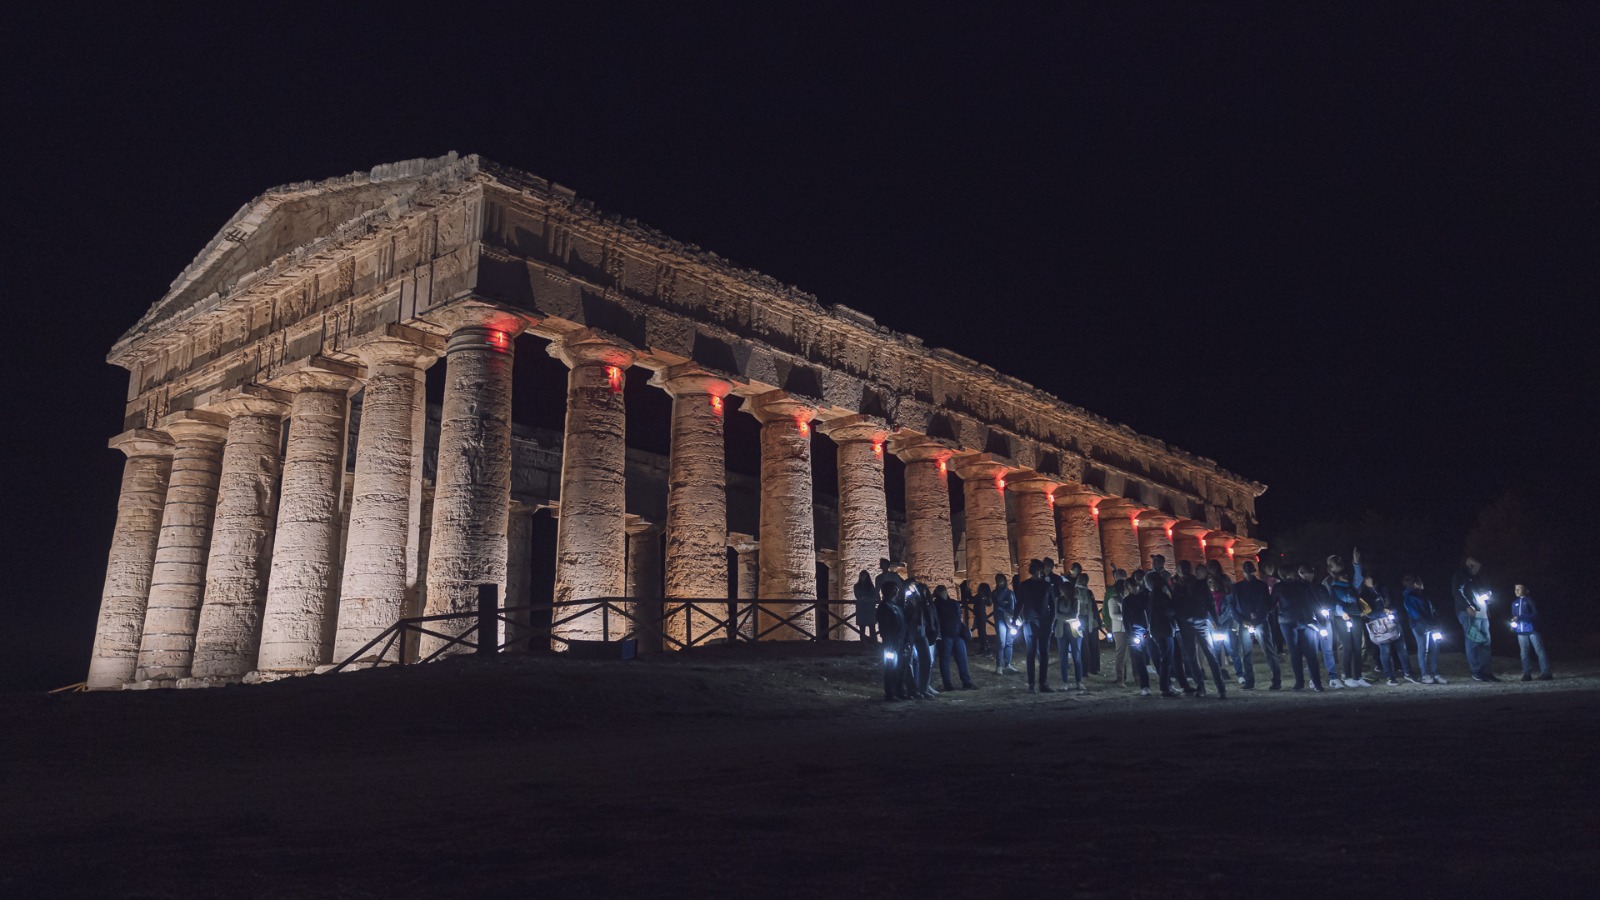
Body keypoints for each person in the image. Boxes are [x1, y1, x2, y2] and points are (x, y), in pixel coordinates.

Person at [1174, 561, 1226, 698]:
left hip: (1200, 622)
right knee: (1191, 657)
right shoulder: (1176, 586)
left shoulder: (1200, 584)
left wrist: (1216, 622)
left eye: (1185, 567)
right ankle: (1200, 686)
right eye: (1181, 568)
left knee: (1210, 654)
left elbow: (1210, 603)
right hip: (1186, 624)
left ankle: (1220, 687)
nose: (1184, 570)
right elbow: (1175, 606)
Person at [1324, 551, 1369, 687]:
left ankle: (1358, 676)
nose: (1345, 575)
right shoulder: (1331, 584)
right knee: (1347, 647)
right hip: (1340, 617)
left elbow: (1358, 578)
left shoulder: (1351, 585)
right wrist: (1341, 612)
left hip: (1356, 616)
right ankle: (1347, 676)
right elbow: (1332, 601)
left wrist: (1356, 562)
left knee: (1357, 647)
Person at [1278, 563, 1325, 692]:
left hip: (1305, 621)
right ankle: (1300, 682)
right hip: (1288, 622)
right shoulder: (1279, 587)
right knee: (1295, 653)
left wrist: (1320, 617)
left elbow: (1313, 601)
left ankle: (1316, 682)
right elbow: (1272, 603)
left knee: (1311, 653)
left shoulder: (1303, 585)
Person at [1361, 574, 1415, 685]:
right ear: (1364, 580)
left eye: (1370, 576)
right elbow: (1368, 613)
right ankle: (1389, 677)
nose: (1370, 578)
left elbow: (1391, 602)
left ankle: (1408, 673)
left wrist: (1389, 611)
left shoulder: (1381, 590)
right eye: (1367, 577)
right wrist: (1383, 612)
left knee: (1402, 648)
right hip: (1379, 625)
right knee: (1385, 651)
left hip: (1392, 622)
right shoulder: (1364, 594)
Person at [1234, 561, 1280, 690]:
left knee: (1268, 651)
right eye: (1246, 570)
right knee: (1246, 653)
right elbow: (1234, 606)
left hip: (1259, 621)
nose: (1248, 573)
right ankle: (1250, 680)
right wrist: (1243, 621)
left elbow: (1266, 604)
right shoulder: (1237, 587)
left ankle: (1276, 680)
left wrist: (1258, 616)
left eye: (1249, 570)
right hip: (1246, 622)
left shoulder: (1261, 586)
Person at [1452, 556, 1498, 681]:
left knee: (1486, 643)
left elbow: (1481, 592)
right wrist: (1467, 606)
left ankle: (1486, 671)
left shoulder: (1477, 578)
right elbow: (1457, 591)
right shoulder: (1461, 575)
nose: (1478, 567)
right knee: (1473, 642)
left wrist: (1487, 597)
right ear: (1468, 565)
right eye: (1474, 565)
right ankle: (1476, 671)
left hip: (1482, 612)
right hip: (1469, 613)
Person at [1016, 559, 1059, 693]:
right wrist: (1014, 618)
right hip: (1029, 622)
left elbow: (1053, 605)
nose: (1034, 572)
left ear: (1040, 570)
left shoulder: (1047, 587)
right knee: (1031, 653)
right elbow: (1019, 603)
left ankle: (1043, 683)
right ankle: (1031, 684)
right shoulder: (1024, 585)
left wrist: (1051, 621)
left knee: (1044, 653)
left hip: (1044, 622)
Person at [1402, 575, 1446, 684]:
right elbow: (1416, 614)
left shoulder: (1422, 595)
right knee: (1423, 649)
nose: (1422, 583)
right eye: (1420, 581)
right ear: (1415, 583)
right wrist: (1430, 624)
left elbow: (1432, 611)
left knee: (1435, 648)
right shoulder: (1409, 597)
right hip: (1419, 626)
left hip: (1432, 625)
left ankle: (1435, 673)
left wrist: (1437, 623)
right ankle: (1425, 675)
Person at [933, 584, 977, 690]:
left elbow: (958, 618)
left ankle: (966, 682)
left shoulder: (953, 603)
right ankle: (947, 684)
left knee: (962, 659)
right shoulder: (936, 605)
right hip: (945, 635)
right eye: (941, 591)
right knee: (945, 660)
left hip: (957, 635)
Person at [1143, 570, 1179, 697]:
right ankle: (1165, 688)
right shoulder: (1159, 594)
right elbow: (1169, 610)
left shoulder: (1154, 594)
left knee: (1165, 659)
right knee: (1166, 659)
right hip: (1164, 629)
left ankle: (1167, 686)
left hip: (1158, 630)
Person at [1206, 560, 1243, 681]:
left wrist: (1221, 621)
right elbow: (1207, 612)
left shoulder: (1226, 596)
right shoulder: (1207, 598)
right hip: (1213, 625)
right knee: (1216, 649)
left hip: (1225, 623)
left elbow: (1229, 610)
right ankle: (1219, 673)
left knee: (1232, 648)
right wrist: (1213, 622)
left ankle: (1240, 674)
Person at [876, 582, 911, 700]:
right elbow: (885, 627)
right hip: (891, 643)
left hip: (900, 642)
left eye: (896, 590)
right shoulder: (884, 607)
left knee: (901, 668)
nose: (896, 592)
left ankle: (900, 691)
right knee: (891, 668)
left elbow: (903, 625)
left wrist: (905, 641)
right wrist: (889, 645)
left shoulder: (896, 606)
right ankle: (890, 693)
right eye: (893, 590)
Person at [1510, 583, 1552, 681]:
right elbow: (1514, 615)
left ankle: (1546, 672)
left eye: (1519, 589)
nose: (1516, 591)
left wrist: (1520, 617)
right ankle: (1526, 674)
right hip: (1521, 631)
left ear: (1525, 590)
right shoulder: (1514, 603)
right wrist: (1514, 623)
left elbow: (1535, 614)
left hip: (1532, 629)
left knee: (1539, 650)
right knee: (1523, 652)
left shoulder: (1530, 600)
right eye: (1515, 589)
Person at [1121, 572, 1153, 696]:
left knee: (1155, 658)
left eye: (1135, 585)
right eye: (1130, 586)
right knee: (1140, 661)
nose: (1134, 588)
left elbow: (1150, 613)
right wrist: (1131, 635)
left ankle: (1166, 685)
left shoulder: (1146, 597)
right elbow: (1126, 619)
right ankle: (1144, 686)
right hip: (1136, 634)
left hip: (1148, 631)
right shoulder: (1127, 601)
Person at [1053, 570, 1086, 691]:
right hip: (1061, 631)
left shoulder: (1076, 600)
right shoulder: (1058, 600)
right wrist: (1066, 617)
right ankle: (1065, 683)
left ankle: (1079, 682)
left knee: (1077, 657)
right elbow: (1056, 614)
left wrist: (1063, 617)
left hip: (1074, 631)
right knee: (1063, 658)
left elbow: (1074, 615)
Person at [1103, 569, 1129, 687]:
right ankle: (1120, 678)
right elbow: (1113, 615)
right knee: (1121, 654)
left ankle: (1128, 677)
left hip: (1128, 628)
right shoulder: (1113, 600)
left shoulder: (1127, 600)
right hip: (1119, 629)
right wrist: (1128, 617)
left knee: (1131, 654)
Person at [991, 573, 1019, 674]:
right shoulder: (994, 593)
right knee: (1001, 642)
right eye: (998, 580)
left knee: (1009, 642)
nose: (999, 582)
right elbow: (991, 603)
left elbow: (1013, 606)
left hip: (1009, 618)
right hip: (1000, 619)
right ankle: (999, 666)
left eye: (1001, 580)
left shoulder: (1010, 593)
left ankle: (1007, 664)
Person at [853, 570, 878, 644]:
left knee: (872, 626)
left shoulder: (871, 586)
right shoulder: (856, 586)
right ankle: (863, 643)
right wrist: (865, 598)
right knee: (862, 627)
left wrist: (866, 598)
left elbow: (873, 596)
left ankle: (873, 643)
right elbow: (857, 596)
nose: (862, 577)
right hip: (861, 608)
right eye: (861, 575)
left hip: (869, 608)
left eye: (864, 575)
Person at [970, 581, 992, 654]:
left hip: (979, 616)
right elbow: (989, 604)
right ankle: (986, 648)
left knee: (981, 633)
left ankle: (984, 649)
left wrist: (968, 593)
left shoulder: (980, 595)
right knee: (982, 632)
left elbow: (972, 599)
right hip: (982, 615)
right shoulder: (985, 596)